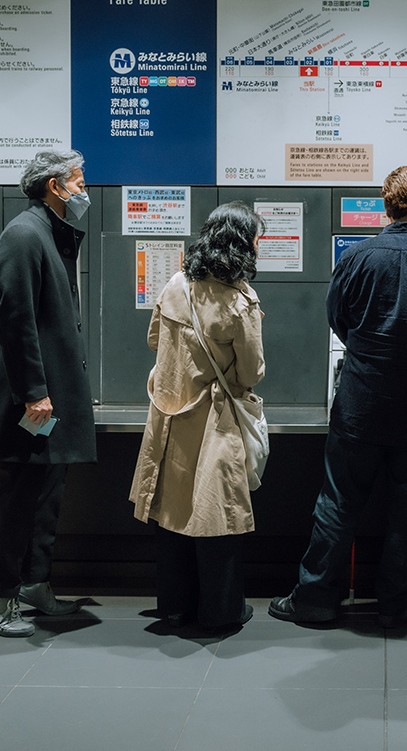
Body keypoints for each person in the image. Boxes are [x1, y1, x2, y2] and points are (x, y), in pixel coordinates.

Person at [269, 166, 407, 628]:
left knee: (338, 501)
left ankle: (315, 598)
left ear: (385, 205)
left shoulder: (357, 256)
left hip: (361, 402)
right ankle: (397, 600)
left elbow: (339, 319)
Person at [0, 149, 97, 638]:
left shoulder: (49, 234)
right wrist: (34, 393)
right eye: (79, 180)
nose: (84, 189)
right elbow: (15, 321)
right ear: (55, 186)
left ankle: (35, 582)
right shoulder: (24, 235)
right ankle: (0, 591)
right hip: (34, 401)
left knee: (48, 492)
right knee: (19, 497)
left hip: (51, 398)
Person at [129, 202, 265, 632]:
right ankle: (221, 611)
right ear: (243, 243)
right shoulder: (239, 298)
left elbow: (153, 340)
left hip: (168, 417)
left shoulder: (175, 284)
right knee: (216, 517)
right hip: (213, 420)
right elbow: (251, 371)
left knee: (170, 515)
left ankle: (174, 607)